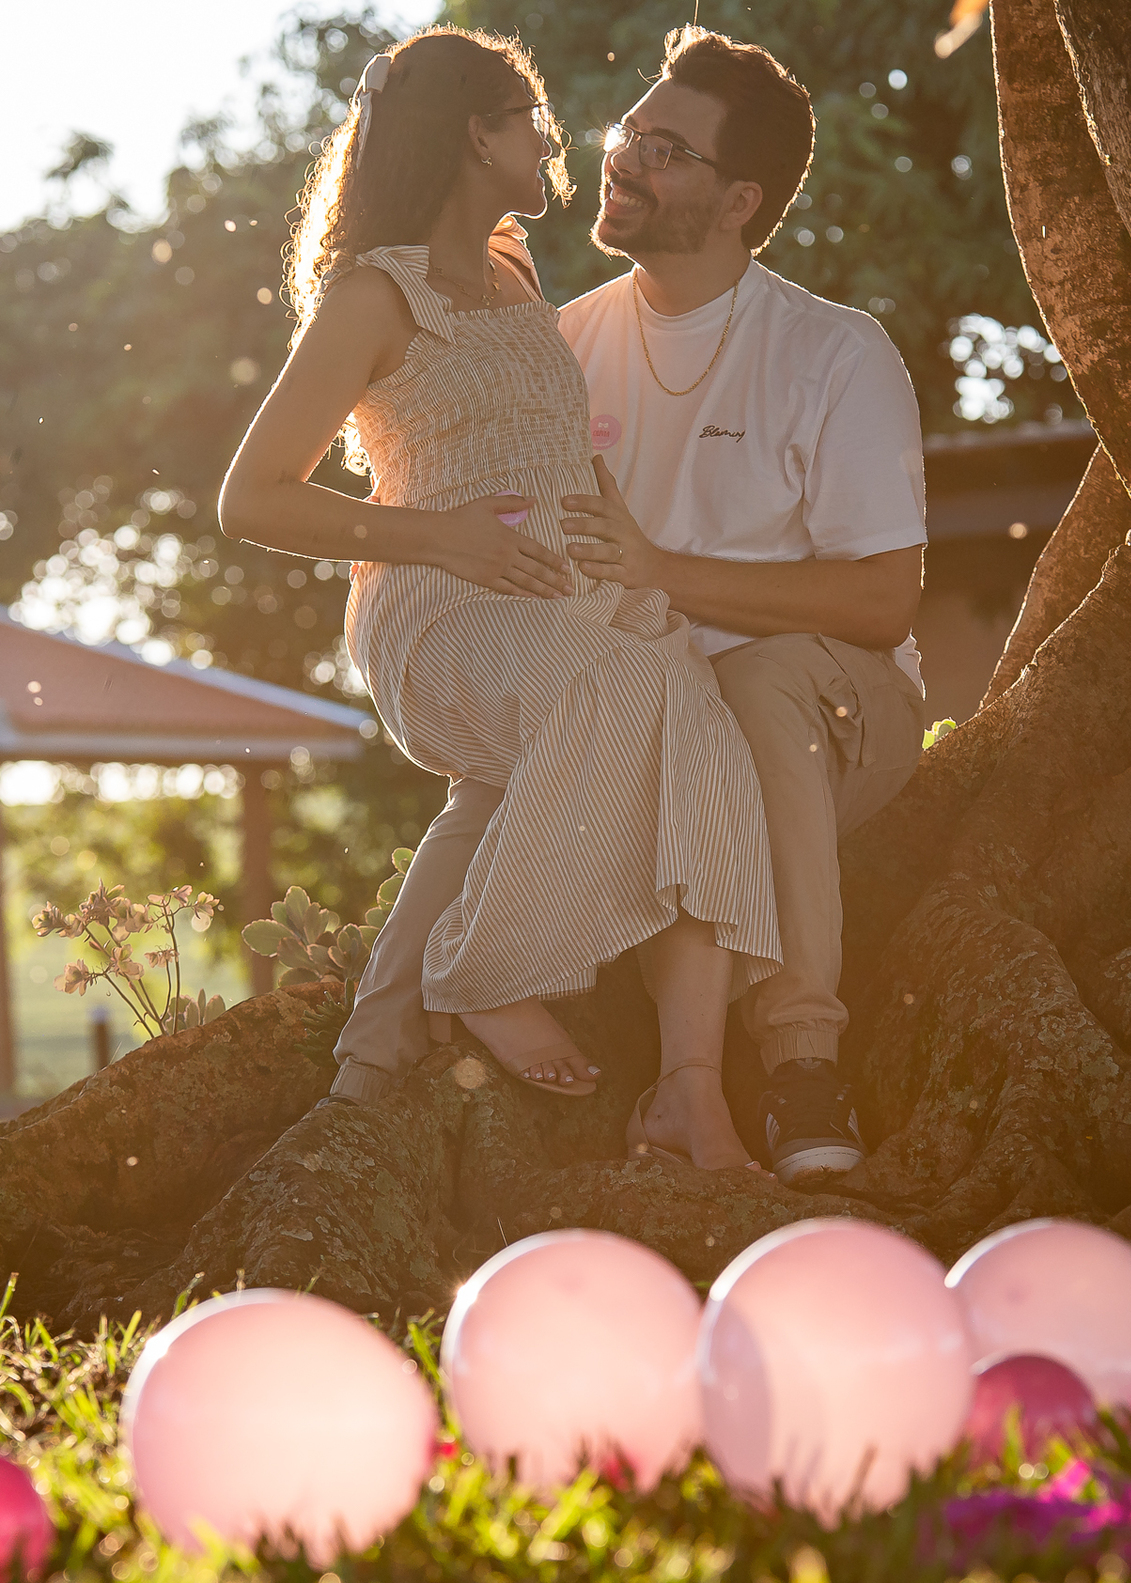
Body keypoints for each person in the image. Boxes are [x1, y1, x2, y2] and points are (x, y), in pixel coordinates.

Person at [331, 26, 928, 1184]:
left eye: (666, 149)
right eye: (628, 135)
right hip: (635, 689)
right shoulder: (561, 341)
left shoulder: (834, 353)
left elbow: (881, 599)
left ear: (739, 197)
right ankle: (381, 1039)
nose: (623, 160)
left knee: (733, 680)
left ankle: (802, 1055)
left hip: (830, 710)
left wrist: (664, 574)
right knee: (579, 703)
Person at [219, 26, 783, 1174]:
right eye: (531, 120)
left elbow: (551, 438)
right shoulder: (376, 296)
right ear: (479, 135)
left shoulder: (517, 266)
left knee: (696, 724)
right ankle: (476, 971)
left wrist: (624, 541)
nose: (554, 141)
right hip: (438, 604)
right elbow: (251, 498)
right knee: (611, 684)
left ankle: (691, 1091)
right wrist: (447, 538)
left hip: (562, 592)